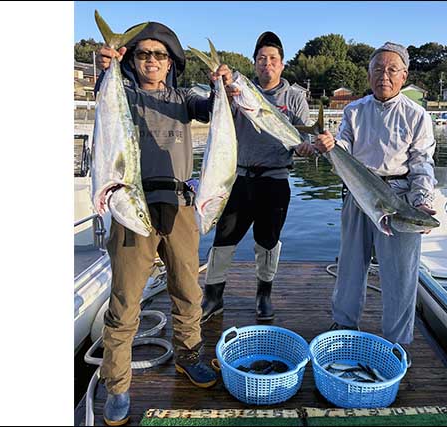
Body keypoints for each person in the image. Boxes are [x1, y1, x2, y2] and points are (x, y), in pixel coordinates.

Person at [94, 22, 233, 426]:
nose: (151, 61)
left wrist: (224, 83)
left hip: (180, 205)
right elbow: (109, 98)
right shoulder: (123, 94)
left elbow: (215, 108)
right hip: (129, 205)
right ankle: (117, 384)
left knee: (188, 291)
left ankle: (189, 356)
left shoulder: (184, 98)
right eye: (142, 54)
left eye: (159, 55)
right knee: (124, 301)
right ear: (132, 60)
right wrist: (105, 68)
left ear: (171, 61)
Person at [314, 42, 438, 368]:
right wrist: (329, 145)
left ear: (404, 75)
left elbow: (423, 163)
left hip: (398, 195)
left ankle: (397, 342)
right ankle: (343, 325)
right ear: (368, 75)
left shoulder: (418, 116)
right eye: (378, 69)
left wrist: (422, 201)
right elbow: (342, 146)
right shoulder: (354, 111)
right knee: (350, 265)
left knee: (400, 273)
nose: (384, 75)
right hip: (359, 191)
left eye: (392, 70)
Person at [200, 31, 315, 323]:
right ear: (254, 63)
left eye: (273, 59)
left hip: (275, 181)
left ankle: (264, 294)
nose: (267, 64)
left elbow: (305, 143)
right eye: (261, 59)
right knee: (223, 239)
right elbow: (218, 115)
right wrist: (222, 91)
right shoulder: (240, 91)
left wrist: (305, 148)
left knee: (268, 241)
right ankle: (213, 296)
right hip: (237, 179)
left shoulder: (295, 97)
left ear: (282, 64)